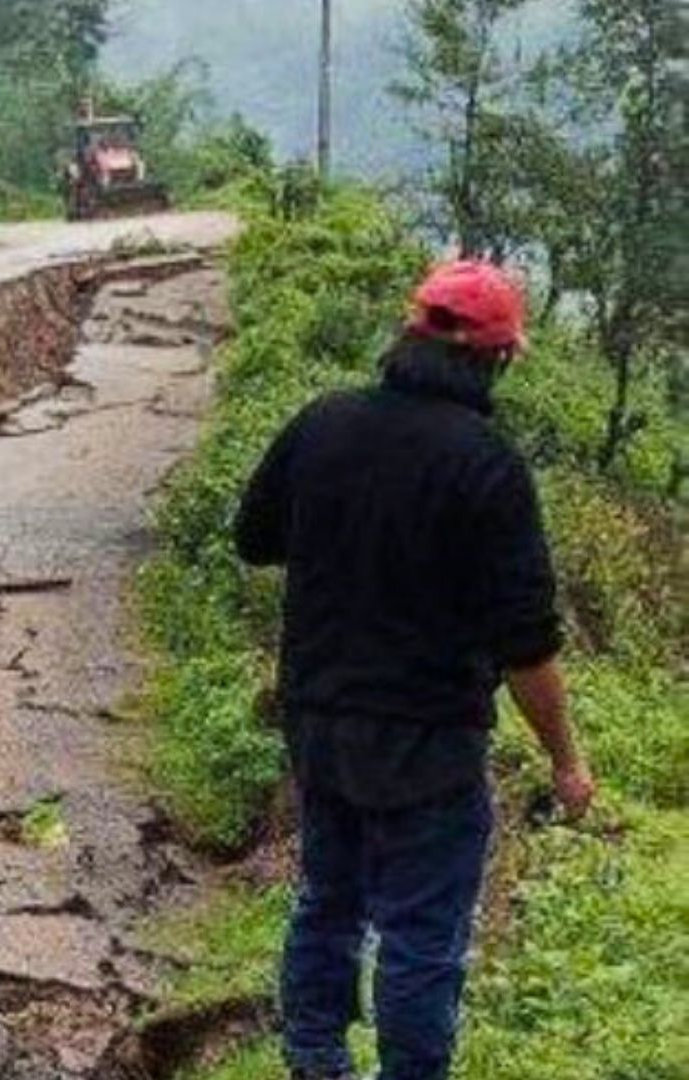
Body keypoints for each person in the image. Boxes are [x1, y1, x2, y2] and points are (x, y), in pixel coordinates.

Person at [234, 261, 596, 1080]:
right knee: (422, 934)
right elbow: (526, 646)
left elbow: (254, 538)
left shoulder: (324, 422)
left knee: (327, 898)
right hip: (428, 740)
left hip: (319, 720)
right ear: (497, 359)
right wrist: (567, 761)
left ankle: (315, 1062)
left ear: (408, 335)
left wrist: (344, 534)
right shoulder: (488, 465)